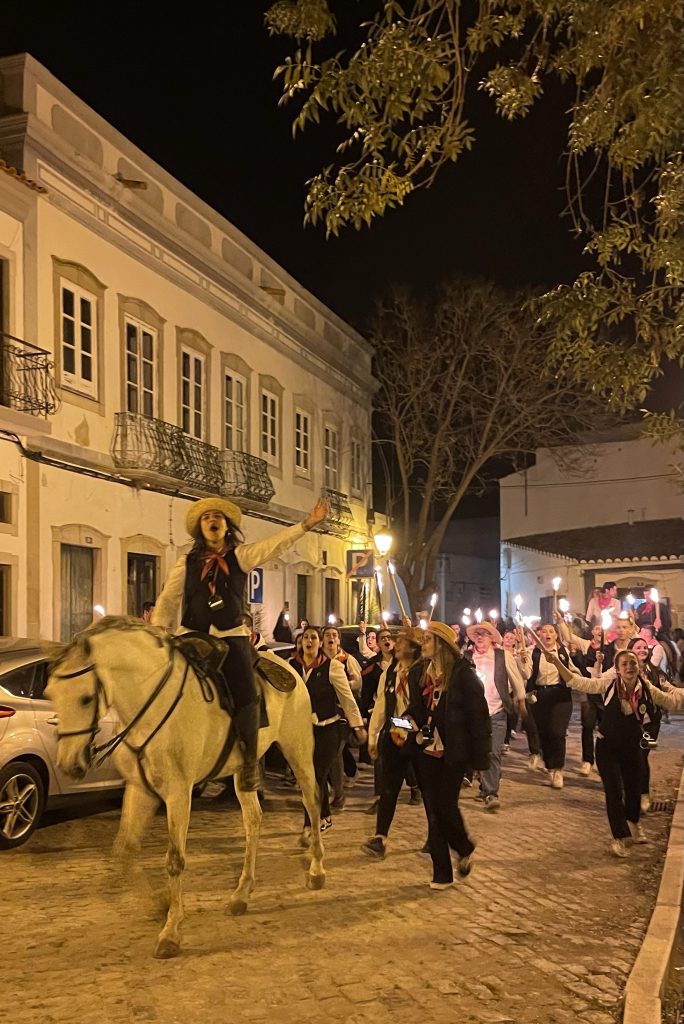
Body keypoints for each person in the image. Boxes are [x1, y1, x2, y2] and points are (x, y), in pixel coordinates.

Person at [151, 495, 329, 791]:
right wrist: (158, 630)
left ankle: (248, 762)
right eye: (206, 517)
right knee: (163, 681)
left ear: (227, 526)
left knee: (246, 690)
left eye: (218, 516)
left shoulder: (240, 556)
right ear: (200, 528)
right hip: (191, 635)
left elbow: (274, 545)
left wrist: (307, 524)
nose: (212, 520)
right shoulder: (186, 562)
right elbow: (169, 598)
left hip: (231, 636)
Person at [535, 644, 684, 857]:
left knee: (634, 790)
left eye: (633, 663)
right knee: (614, 791)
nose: (630, 667)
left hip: (632, 746)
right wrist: (557, 663)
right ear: (618, 669)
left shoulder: (647, 688)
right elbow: (578, 682)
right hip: (608, 748)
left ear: (639, 666)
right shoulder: (609, 684)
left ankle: (633, 822)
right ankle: (620, 837)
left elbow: (670, 701)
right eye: (625, 664)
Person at [411, 622, 491, 889]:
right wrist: (407, 722)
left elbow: (479, 719)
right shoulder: (422, 673)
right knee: (434, 813)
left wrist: (479, 761)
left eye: (427, 640)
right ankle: (441, 873)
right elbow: (416, 708)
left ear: (442, 644)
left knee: (445, 806)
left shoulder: (464, 676)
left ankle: (464, 846)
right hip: (427, 752)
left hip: (454, 753)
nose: (423, 644)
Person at [288, 627, 367, 838]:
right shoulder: (292, 665)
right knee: (309, 777)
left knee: (317, 776)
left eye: (314, 637)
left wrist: (357, 726)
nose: (309, 641)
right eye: (306, 637)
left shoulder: (332, 666)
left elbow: (346, 698)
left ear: (320, 642)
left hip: (329, 729)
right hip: (303, 730)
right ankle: (325, 815)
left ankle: (309, 824)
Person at [361, 626, 425, 858]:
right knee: (388, 790)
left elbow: (425, 709)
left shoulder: (423, 672)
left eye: (402, 642)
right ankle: (380, 837)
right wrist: (373, 736)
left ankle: (435, 836)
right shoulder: (390, 672)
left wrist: (404, 726)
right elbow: (381, 705)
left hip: (419, 739)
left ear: (414, 648)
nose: (396, 645)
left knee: (429, 792)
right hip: (393, 738)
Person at [466, 621, 526, 811]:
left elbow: (516, 679)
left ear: (491, 637)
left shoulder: (502, 656)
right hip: (474, 713)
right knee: (478, 752)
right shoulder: (467, 657)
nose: (480, 637)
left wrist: (520, 698)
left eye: (484, 633)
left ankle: (491, 793)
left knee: (493, 752)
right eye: (477, 634)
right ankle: (484, 784)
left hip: (497, 711)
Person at [525, 624, 574, 789]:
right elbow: (527, 674)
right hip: (540, 695)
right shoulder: (533, 652)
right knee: (544, 733)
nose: (547, 634)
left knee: (557, 732)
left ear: (556, 635)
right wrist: (522, 661)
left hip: (560, 695)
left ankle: (558, 769)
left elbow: (573, 669)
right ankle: (550, 766)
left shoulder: (563, 652)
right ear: (538, 635)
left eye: (551, 631)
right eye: (544, 631)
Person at [321, 624, 362, 810]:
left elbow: (358, 682)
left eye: (334, 635)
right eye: (327, 635)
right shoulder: (318, 659)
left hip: (341, 713)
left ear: (338, 639)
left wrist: (341, 683)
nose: (331, 638)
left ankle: (338, 794)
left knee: (335, 753)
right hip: (321, 712)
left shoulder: (347, 659)